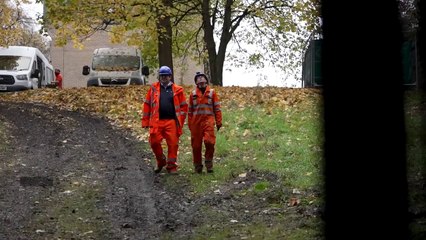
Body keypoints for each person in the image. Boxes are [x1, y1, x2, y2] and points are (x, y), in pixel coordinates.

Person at [141, 66, 188, 174]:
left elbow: (183, 107)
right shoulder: (153, 89)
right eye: (162, 76)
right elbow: (147, 105)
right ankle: (161, 161)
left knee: (173, 144)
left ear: (170, 76)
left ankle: (172, 166)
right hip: (157, 121)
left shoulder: (178, 90)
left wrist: (180, 120)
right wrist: (145, 121)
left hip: (171, 121)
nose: (164, 78)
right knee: (154, 142)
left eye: (166, 76)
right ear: (159, 77)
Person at [188, 72, 222, 173]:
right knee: (196, 146)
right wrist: (190, 125)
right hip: (196, 123)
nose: (201, 81)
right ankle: (197, 166)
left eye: (202, 79)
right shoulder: (193, 94)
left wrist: (219, 121)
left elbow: (217, 108)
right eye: (198, 79)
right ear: (196, 82)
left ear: (206, 81)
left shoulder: (212, 93)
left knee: (210, 142)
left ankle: (209, 162)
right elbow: (190, 111)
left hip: (208, 121)